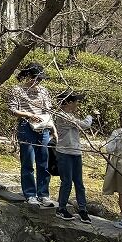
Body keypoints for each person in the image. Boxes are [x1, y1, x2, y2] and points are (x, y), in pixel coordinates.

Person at [9, 63, 56, 207]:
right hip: (26, 127)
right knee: (28, 161)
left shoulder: (43, 91)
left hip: (44, 127)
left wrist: (53, 128)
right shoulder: (17, 90)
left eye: (40, 79)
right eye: (36, 78)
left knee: (44, 162)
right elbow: (12, 109)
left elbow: (49, 111)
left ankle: (43, 194)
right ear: (28, 76)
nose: (37, 82)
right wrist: (29, 114)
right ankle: (30, 194)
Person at [52, 91, 93, 222]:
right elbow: (85, 125)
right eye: (76, 101)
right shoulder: (62, 116)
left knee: (79, 183)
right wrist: (90, 117)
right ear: (69, 102)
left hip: (76, 152)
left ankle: (83, 210)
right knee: (67, 182)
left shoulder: (69, 115)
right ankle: (61, 209)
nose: (77, 104)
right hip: (64, 153)